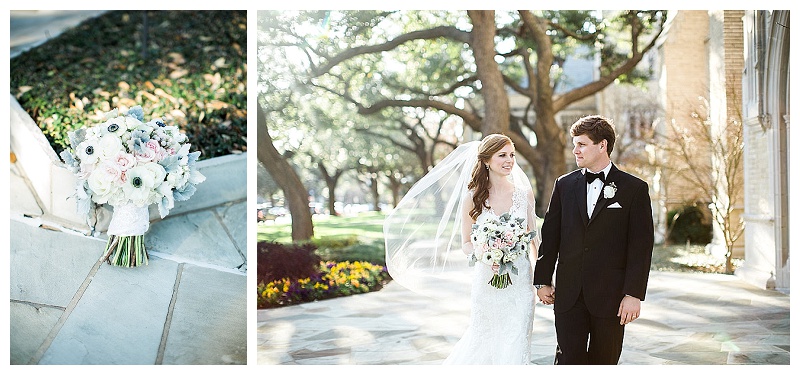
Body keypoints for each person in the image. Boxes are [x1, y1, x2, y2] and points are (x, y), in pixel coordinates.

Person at [383, 134, 540, 365]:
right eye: (503, 155)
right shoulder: (473, 197)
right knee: (485, 339)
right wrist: (486, 252)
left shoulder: (523, 194)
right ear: (487, 160)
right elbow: (466, 243)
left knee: (516, 341)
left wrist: (543, 280)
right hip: (487, 280)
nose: (510, 160)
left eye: (512, 155)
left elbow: (533, 240)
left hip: (520, 283)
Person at [532, 115, 654, 365]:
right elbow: (550, 236)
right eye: (574, 144)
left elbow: (641, 247)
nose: (575, 150)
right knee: (567, 361)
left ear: (602, 145)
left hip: (611, 297)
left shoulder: (634, 189)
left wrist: (633, 294)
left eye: (582, 144)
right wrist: (542, 280)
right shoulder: (564, 185)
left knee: (605, 361)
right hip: (568, 295)